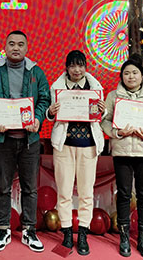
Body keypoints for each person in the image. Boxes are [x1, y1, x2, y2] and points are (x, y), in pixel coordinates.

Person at [0, 30, 50, 253]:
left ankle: (29, 230)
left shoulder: (36, 72)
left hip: (30, 140)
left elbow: (44, 99)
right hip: (3, 139)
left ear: (27, 48)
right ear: (5, 47)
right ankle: (3, 229)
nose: (16, 48)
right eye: (11, 44)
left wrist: (38, 119)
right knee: (3, 187)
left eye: (20, 44)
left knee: (30, 188)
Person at [102, 54, 143, 258]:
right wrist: (118, 132)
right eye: (127, 73)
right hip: (122, 150)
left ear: (142, 75)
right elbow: (105, 121)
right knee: (123, 194)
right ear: (121, 76)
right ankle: (124, 237)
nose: (131, 76)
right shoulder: (113, 96)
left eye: (135, 73)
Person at [47, 50, 105, 256]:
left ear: (86, 67)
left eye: (80, 65)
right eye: (72, 65)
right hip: (64, 145)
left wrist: (103, 109)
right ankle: (65, 232)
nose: (76, 70)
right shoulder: (57, 88)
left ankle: (82, 234)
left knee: (86, 193)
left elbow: (99, 116)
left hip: (88, 146)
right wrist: (51, 112)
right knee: (64, 192)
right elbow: (50, 114)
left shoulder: (95, 88)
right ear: (67, 68)